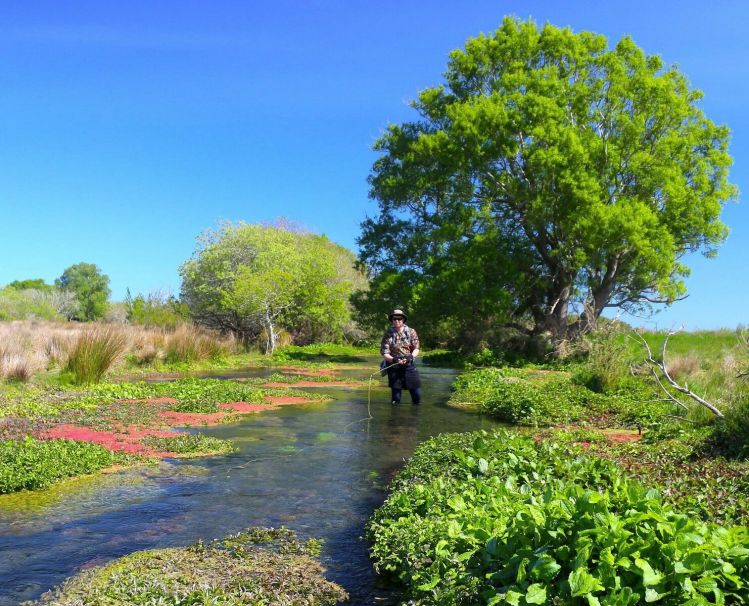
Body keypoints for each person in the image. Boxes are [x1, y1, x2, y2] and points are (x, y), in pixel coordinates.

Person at [380, 309, 421, 405]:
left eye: (399, 318)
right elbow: (384, 353)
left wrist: (410, 356)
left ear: (403, 320)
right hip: (394, 366)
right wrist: (394, 359)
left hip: (409, 365)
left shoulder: (411, 331)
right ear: (392, 320)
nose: (397, 321)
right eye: (395, 319)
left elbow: (416, 348)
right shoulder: (388, 334)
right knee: (396, 398)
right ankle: (395, 417)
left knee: (416, 396)